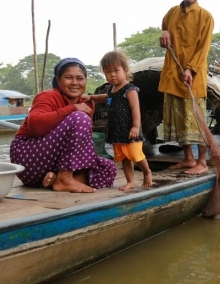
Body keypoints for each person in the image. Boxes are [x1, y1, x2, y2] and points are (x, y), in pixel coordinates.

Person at [10, 58, 117, 193]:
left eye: (80, 78)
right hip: (28, 158)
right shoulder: (47, 97)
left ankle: (56, 179)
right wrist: (72, 108)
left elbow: (80, 143)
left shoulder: (87, 103)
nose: (74, 83)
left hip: (54, 164)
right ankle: (65, 178)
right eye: (68, 78)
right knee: (80, 117)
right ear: (58, 80)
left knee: (107, 167)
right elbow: (35, 126)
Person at [158, 0, 214, 175]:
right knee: (179, 118)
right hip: (172, 75)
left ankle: (202, 162)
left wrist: (190, 69)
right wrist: (163, 32)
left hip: (193, 77)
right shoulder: (171, 13)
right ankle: (189, 159)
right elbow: (164, 28)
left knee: (196, 120)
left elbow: (203, 49)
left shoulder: (205, 17)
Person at [83, 51, 153, 191]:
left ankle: (147, 172)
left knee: (135, 154)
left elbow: (135, 109)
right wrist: (92, 98)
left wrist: (135, 126)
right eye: (108, 72)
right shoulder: (111, 89)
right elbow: (105, 97)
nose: (112, 75)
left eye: (116, 70)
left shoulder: (129, 89)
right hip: (117, 131)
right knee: (124, 158)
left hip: (130, 130)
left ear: (125, 70)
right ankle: (130, 181)